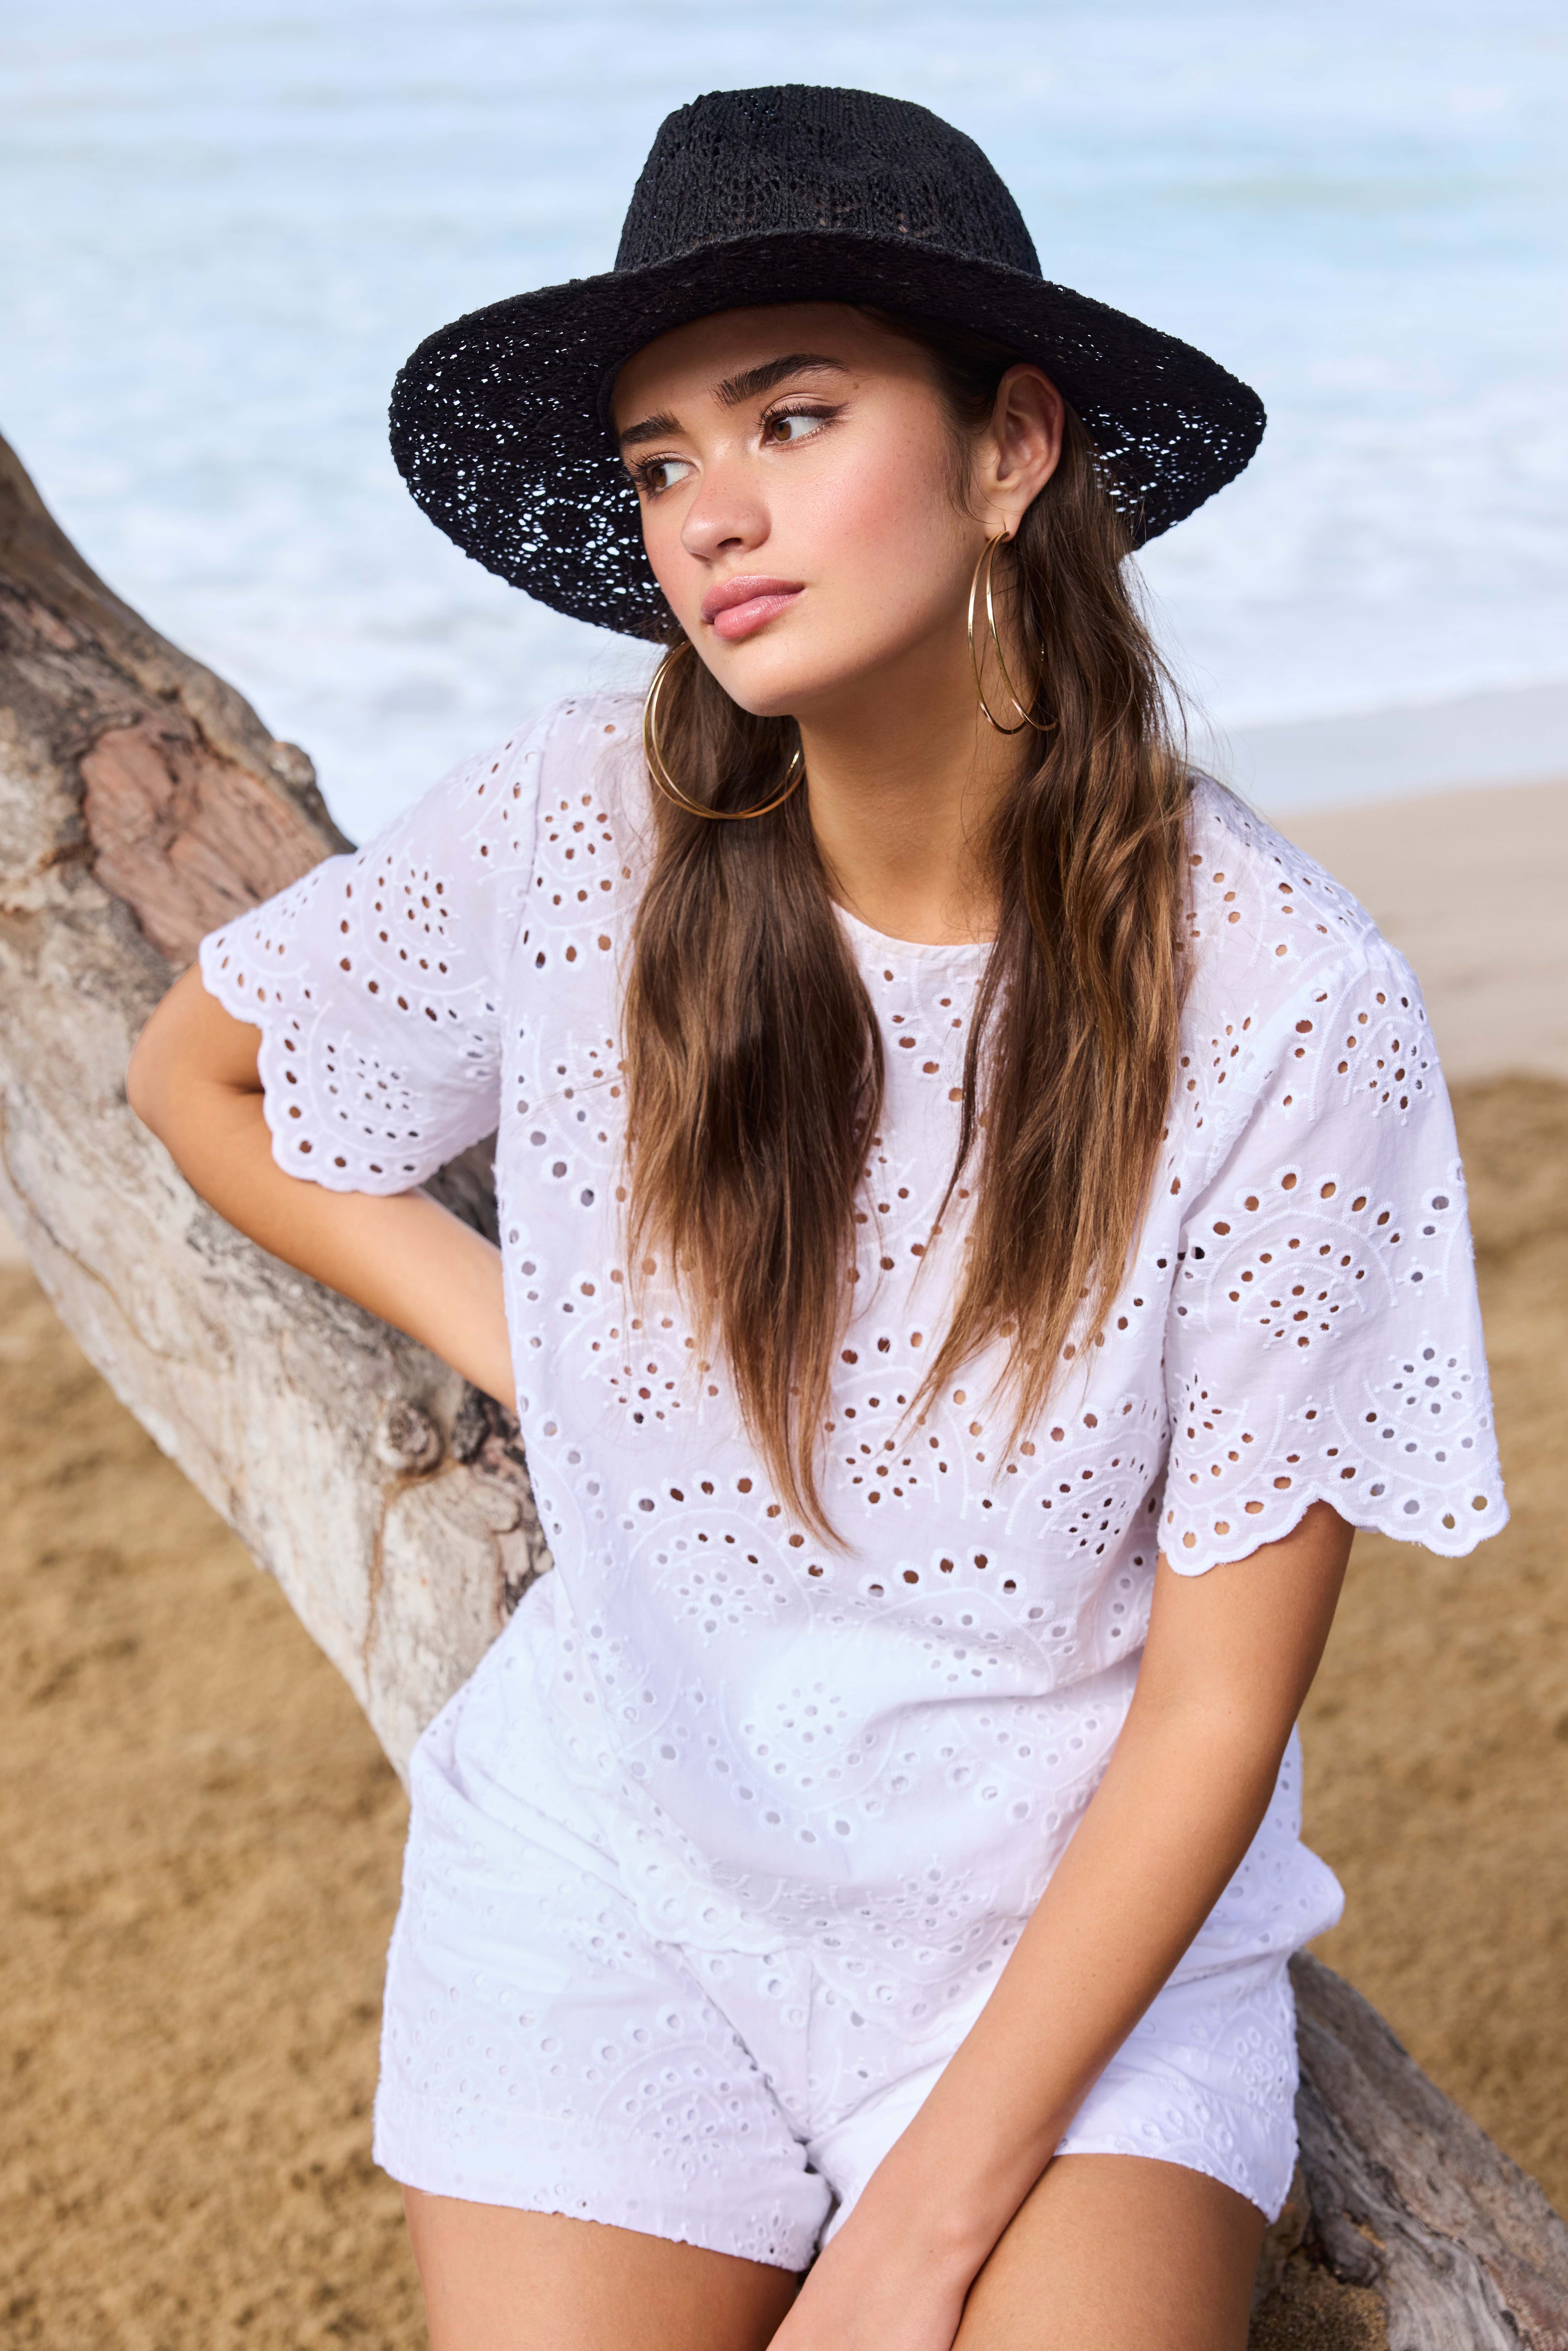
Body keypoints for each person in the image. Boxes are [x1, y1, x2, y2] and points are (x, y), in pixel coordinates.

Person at [127, 84, 1505, 2351]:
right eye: (660, 460)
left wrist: (915, 2237)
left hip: (1058, 1935)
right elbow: (206, 1076)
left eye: (791, 417)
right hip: (618, 1872)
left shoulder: (1281, 999)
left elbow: (1213, 1714)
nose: (711, 513)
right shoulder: (581, 823)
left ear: (1009, 446)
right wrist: (542, 1358)